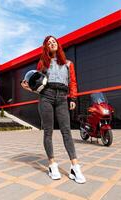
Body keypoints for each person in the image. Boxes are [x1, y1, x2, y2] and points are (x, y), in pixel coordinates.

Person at [21, 35, 86, 184]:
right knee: (48, 131)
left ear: (58, 45)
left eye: (54, 41)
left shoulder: (68, 63)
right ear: (46, 47)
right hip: (46, 97)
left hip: (63, 97)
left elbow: (73, 82)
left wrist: (73, 98)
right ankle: (52, 165)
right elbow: (38, 85)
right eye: (49, 43)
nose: (52, 44)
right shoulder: (42, 63)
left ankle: (75, 167)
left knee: (66, 132)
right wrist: (29, 88)